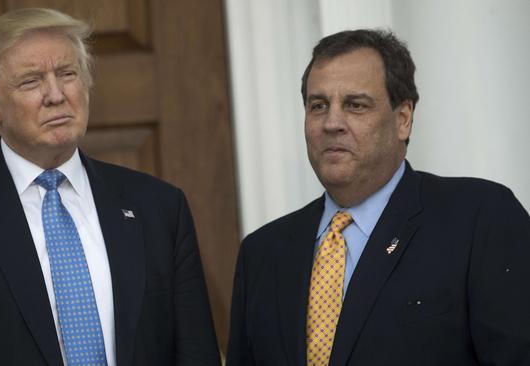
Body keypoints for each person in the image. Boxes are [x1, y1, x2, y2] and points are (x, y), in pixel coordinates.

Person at [0, 8, 220, 366]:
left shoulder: (159, 207)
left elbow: (195, 353)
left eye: (67, 74)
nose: (56, 95)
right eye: (31, 81)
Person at [226, 29, 530, 366]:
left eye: (355, 105)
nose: (332, 123)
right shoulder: (262, 254)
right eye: (318, 105)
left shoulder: (479, 218)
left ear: (403, 120)